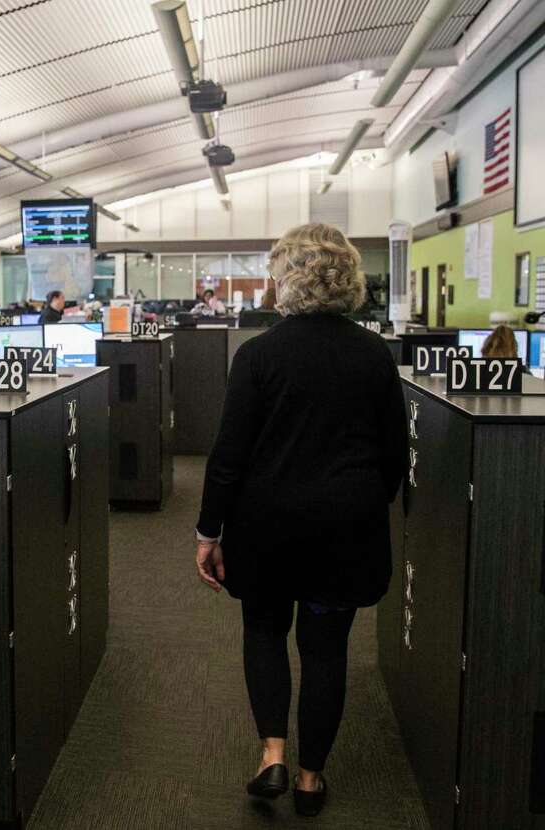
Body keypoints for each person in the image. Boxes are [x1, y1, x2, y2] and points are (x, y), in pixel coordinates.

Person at [194, 223, 408, 817]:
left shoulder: (258, 355)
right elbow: (395, 454)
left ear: (284, 278)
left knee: (264, 631)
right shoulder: (374, 355)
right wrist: (365, 503)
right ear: (347, 279)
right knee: (326, 650)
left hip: (267, 529)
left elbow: (229, 456)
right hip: (346, 528)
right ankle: (313, 778)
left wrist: (209, 533)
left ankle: (273, 755)